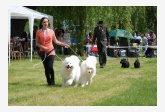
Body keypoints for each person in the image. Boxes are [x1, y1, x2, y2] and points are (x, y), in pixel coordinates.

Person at [36, 17, 69, 86]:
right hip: (43, 52)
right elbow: (37, 43)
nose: (45, 23)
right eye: (44, 22)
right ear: (41, 23)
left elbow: (56, 41)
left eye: (46, 22)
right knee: (46, 68)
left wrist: (64, 44)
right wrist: (43, 47)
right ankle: (49, 81)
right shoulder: (38, 32)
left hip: (51, 51)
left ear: (48, 23)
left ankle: (53, 80)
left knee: (50, 67)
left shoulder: (51, 31)